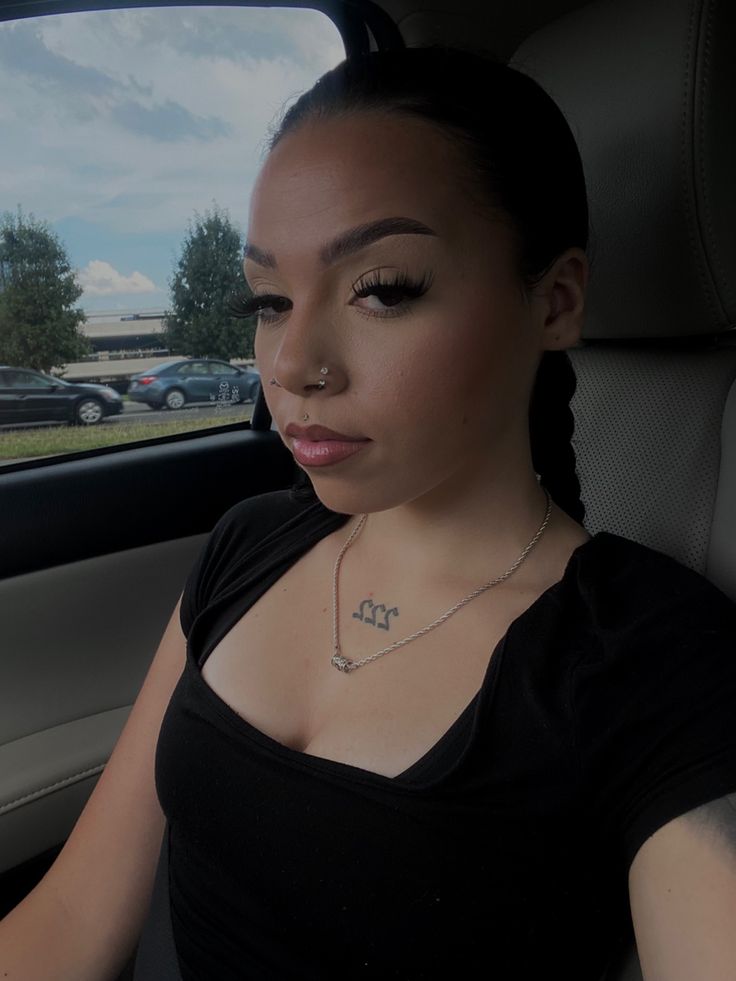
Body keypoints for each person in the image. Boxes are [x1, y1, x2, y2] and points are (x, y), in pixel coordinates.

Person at [2, 45, 736, 981]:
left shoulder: (651, 659)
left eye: (382, 290)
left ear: (555, 300)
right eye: (268, 299)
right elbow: (70, 920)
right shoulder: (249, 545)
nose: (293, 362)